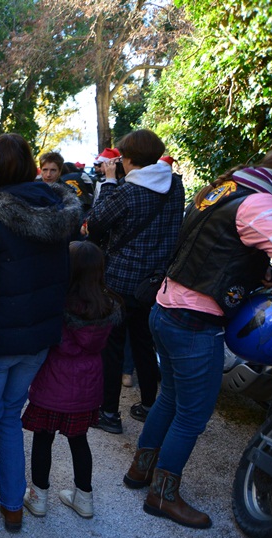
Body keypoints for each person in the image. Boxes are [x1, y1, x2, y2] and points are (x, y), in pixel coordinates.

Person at [124, 150, 272, 529]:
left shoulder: (224, 190)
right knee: (192, 415)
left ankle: (140, 471)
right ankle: (162, 494)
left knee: (171, 398)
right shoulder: (259, 202)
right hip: (195, 319)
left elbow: (219, 250)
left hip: (167, 307)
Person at [0, 133, 80, 534]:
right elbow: (60, 277)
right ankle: (12, 505)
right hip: (36, 340)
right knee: (9, 418)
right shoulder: (55, 209)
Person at [85, 129, 185, 434]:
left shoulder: (127, 191)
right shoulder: (176, 185)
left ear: (127, 159)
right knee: (144, 340)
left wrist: (111, 182)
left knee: (113, 346)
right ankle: (149, 405)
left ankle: (109, 414)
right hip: (154, 281)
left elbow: (96, 222)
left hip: (120, 280)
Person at [21, 241, 122, 520]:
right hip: (86, 390)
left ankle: (38, 497)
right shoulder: (105, 307)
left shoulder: (59, 304)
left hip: (53, 387)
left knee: (43, 440)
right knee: (80, 441)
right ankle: (84, 498)